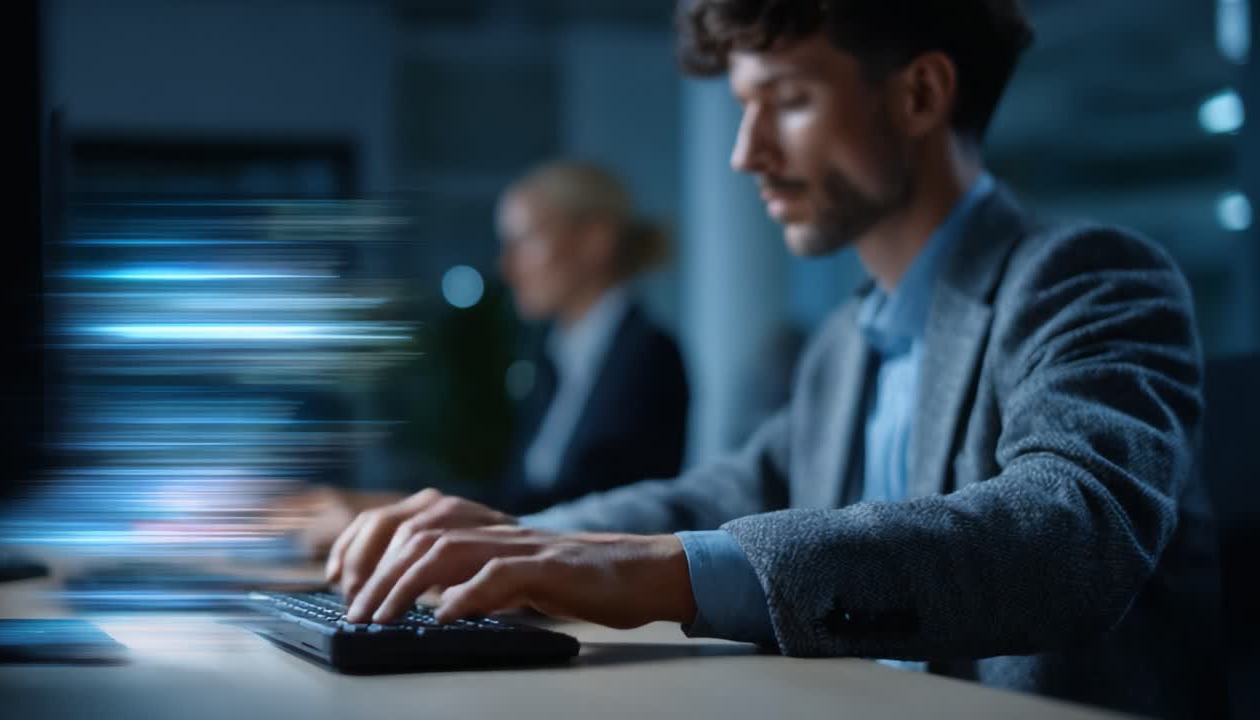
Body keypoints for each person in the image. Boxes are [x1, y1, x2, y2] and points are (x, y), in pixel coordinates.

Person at [321, 2, 1220, 717]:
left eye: (787, 101)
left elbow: (1068, 534)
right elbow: (719, 497)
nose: (745, 152)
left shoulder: (1088, 278)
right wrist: (513, 545)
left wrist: (640, 568)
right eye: (743, 106)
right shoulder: (841, 348)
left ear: (919, 96)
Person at [275, 161, 689, 556]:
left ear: (595, 239)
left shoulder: (647, 358)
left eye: (524, 241)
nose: (506, 267)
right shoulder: (554, 356)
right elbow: (523, 490)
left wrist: (402, 509)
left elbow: (591, 509)